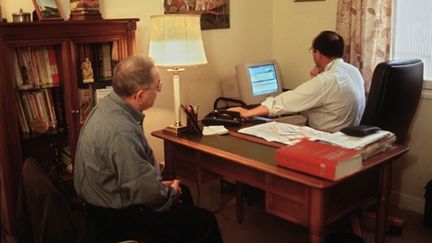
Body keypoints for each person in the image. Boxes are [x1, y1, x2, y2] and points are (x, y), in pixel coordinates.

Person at [74, 55, 223, 243]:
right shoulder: (121, 131)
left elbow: (136, 178)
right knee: (205, 220)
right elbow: (145, 193)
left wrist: (159, 187)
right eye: (158, 86)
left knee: (183, 192)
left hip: (102, 201)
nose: (159, 90)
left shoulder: (107, 107)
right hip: (116, 218)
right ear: (140, 95)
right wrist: (170, 193)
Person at [229, 31, 365, 133]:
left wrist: (246, 113)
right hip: (345, 136)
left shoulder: (327, 80)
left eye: (312, 51)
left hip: (326, 138)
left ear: (318, 53)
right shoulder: (353, 71)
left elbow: (286, 101)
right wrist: (316, 78)